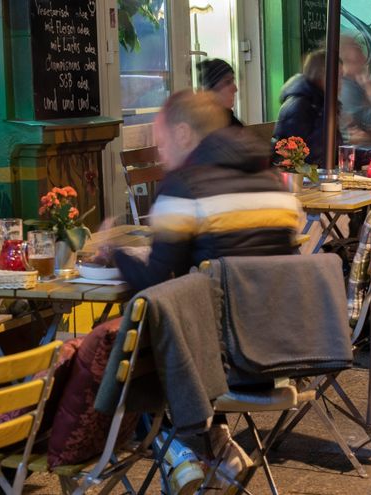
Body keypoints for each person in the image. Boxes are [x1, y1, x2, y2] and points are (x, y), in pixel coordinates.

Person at [111, 89, 301, 480]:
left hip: (226, 365)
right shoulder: (271, 181)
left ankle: (183, 457)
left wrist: (113, 254)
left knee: (132, 361)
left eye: (162, 143)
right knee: (190, 321)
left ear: (183, 134)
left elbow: (156, 279)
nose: (160, 153)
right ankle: (219, 449)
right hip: (285, 352)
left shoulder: (184, 186)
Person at [274, 49, 341, 168]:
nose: (341, 82)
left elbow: (335, 151)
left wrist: (368, 155)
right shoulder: (299, 106)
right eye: (339, 76)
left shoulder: (321, 103)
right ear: (322, 75)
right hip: (300, 177)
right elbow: (303, 158)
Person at [339, 35, 371, 148]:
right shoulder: (347, 90)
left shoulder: (355, 86)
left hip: (367, 150)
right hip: (359, 153)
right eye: (359, 53)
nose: (365, 59)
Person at [197, 58, 242, 127]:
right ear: (211, 90)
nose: (235, 89)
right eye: (227, 82)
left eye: (233, 81)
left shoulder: (232, 122)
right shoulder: (200, 126)